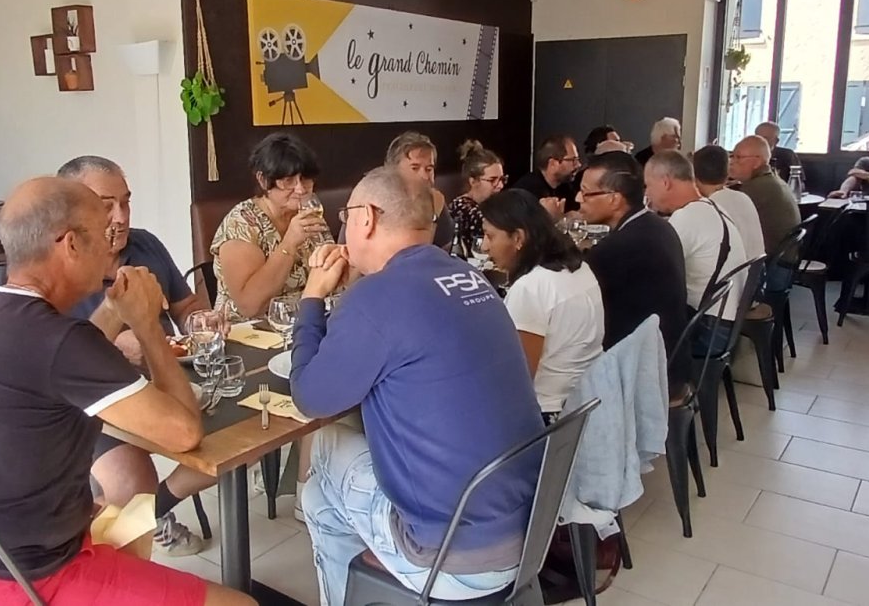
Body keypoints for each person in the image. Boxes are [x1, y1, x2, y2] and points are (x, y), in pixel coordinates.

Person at [0, 176, 254, 606]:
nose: (112, 243)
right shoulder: (59, 340)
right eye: (102, 234)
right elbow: (184, 433)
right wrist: (147, 325)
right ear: (70, 245)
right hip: (21, 580)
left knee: (128, 521)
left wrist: (115, 309)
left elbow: (66, 362)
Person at [291, 167, 545, 606]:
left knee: (328, 442)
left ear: (367, 218)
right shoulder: (471, 277)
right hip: (529, 529)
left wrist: (312, 297)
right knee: (318, 498)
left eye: (346, 216)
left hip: (451, 557)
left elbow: (310, 397)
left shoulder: (377, 297)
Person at [58, 156, 212, 557]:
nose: (121, 216)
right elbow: (60, 358)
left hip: (164, 382)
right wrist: (113, 341)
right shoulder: (61, 269)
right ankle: (127, 550)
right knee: (131, 482)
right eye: (106, 205)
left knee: (231, 442)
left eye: (126, 202)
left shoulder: (145, 245)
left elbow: (185, 306)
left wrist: (201, 320)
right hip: (93, 406)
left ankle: (155, 509)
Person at [480, 190, 605, 415]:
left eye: (490, 236)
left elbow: (518, 378)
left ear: (518, 238)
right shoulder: (579, 267)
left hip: (547, 413)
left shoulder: (531, 287)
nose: (484, 247)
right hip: (584, 401)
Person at [576, 153, 688, 387]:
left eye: (586, 193)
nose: (578, 198)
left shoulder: (620, 246)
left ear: (614, 199)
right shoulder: (657, 225)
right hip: (670, 356)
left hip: (646, 373)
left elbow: (573, 296)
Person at [211, 133, 333, 321]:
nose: (300, 189)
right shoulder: (242, 224)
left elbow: (331, 280)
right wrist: (289, 244)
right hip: (248, 331)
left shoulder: (308, 212)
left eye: (305, 179)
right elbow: (249, 306)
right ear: (263, 180)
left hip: (306, 323)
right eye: (288, 181)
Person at [645, 151, 748, 366]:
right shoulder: (711, 207)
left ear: (665, 182)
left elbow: (651, 272)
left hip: (707, 331)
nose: (647, 194)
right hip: (725, 324)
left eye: (648, 186)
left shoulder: (687, 217)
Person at [729, 135, 801, 292]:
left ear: (756, 162)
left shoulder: (757, 188)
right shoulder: (771, 180)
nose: (731, 161)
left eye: (738, 157)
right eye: (732, 156)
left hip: (772, 270)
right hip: (783, 262)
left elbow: (726, 223)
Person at [693, 145, 765, 261]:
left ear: (694, 176)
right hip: (756, 270)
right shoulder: (744, 197)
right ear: (727, 174)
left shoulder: (707, 207)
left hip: (733, 272)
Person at [386, 131, 454, 251]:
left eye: (429, 169)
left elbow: (447, 251)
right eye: (415, 168)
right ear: (394, 171)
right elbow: (415, 255)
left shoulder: (435, 201)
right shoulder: (382, 203)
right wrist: (434, 217)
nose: (424, 176)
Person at [449, 140, 505, 256]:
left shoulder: (489, 207)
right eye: (492, 180)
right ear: (473, 181)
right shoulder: (464, 208)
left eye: (502, 179)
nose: (500, 185)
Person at [510, 134, 581, 218]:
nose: (578, 165)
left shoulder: (565, 187)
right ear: (552, 163)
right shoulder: (526, 192)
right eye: (573, 160)